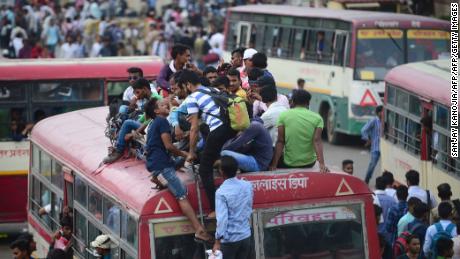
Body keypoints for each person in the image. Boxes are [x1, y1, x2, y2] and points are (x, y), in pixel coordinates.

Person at [144, 98, 212, 243]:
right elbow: (169, 146)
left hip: (155, 163)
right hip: (162, 165)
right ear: (156, 111)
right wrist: (186, 154)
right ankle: (199, 230)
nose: (166, 105)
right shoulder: (161, 122)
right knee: (182, 195)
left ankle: (157, 177)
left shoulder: (154, 123)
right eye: (162, 105)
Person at [181, 70, 236, 217]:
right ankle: (216, 158)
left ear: (188, 84)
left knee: (205, 170)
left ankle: (215, 209)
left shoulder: (193, 97)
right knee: (208, 146)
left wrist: (191, 152)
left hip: (218, 130)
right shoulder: (213, 89)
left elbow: (194, 128)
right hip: (232, 128)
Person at [103, 78, 161, 163]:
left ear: (145, 89)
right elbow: (145, 116)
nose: (137, 95)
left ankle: (119, 150)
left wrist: (136, 131)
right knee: (125, 114)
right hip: (148, 125)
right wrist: (132, 107)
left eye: (137, 92)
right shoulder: (149, 99)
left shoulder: (156, 99)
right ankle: (120, 139)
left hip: (153, 127)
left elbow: (152, 119)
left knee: (128, 123)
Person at [270, 89, 328, 172]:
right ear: (308, 103)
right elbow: (317, 141)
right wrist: (322, 165)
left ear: (292, 102)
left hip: (288, 163)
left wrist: (274, 164)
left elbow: (280, 141)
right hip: (309, 163)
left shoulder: (283, 116)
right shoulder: (317, 118)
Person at [212, 156, 253, 259]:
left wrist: (217, 242)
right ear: (236, 169)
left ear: (221, 172)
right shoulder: (247, 185)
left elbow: (222, 220)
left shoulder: (221, 192)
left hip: (230, 240)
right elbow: (248, 207)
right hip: (245, 236)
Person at [259, 76, 288, 147]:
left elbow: (254, 130)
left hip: (273, 149)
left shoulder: (268, 114)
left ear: (262, 98)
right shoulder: (285, 110)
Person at [361, 105, 383, 184]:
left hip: (384, 148)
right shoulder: (374, 120)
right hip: (376, 148)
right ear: (379, 113)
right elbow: (363, 130)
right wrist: (368, 139)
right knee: (372, 165)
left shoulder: (386, 120)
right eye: (383, 111)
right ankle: (366, 180)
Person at [375, 176, 397, 242]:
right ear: (385, 186)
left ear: (376, 186)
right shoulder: (392, 200)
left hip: (375, 233)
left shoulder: (371, 198)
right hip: (388, 236)